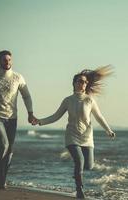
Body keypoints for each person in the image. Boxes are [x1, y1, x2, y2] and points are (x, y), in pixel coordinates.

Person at [34, 65, 115, 199]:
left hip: (87, 137)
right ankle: (79, 189)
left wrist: (108, 130)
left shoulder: (90, 100)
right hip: (72, 137)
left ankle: (77, 173)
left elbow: (99, 117)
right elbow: (56, 116)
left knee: (89, 165)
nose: (83, 84)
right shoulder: (68, 100)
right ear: (74, 83)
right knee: (79, 161)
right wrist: (40, 121)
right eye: (80, 81)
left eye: (85, 82)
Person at [0, 50, 37, 189]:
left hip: (12, 117)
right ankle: (0, 177)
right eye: (4, 60)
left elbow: (26, 96)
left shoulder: (18, 77)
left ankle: (3, 178)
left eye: (9, 59)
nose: (7, 62)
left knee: (9, 150)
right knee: (3, 144)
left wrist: (30, 113)